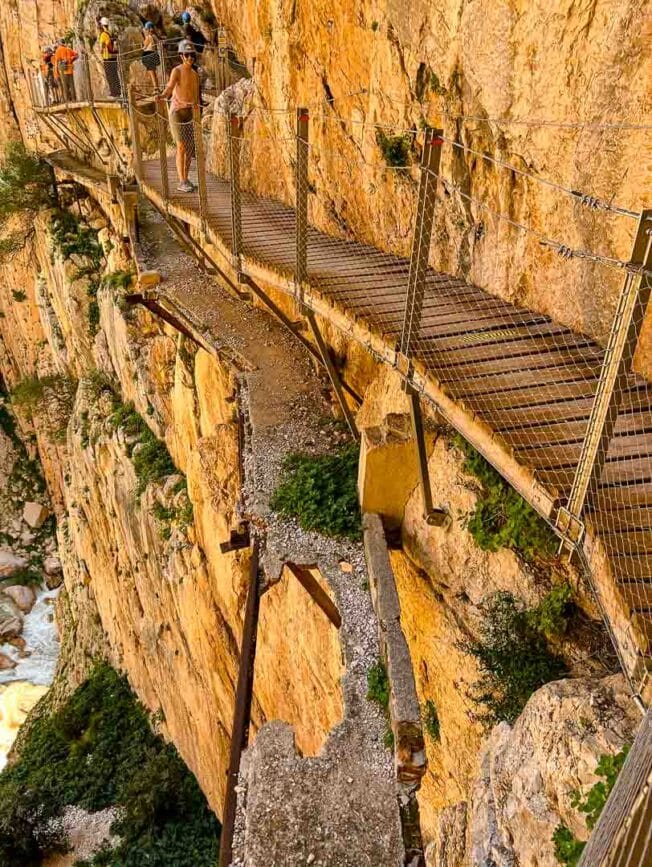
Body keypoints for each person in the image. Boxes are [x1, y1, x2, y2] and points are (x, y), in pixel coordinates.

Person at [161, 40, 199, 193]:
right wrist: (162, 95)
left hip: (189, 112)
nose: (190, 58)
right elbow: (170, 86)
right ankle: (181, 180)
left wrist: (198, 116)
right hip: (176, 112)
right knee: (181, 145)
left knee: (189, 148)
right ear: (182, 56)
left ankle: (186, 178)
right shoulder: (176, 71)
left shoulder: (195, 75)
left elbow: (196, 97)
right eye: (187, 55)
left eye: (192, 55)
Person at [97, 16, 121, 98]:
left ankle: (114, 93)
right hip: (114, 56)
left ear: (102, 25)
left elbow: (101, 48)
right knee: (115, 74)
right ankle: (118, 91)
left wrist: (101, 50)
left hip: (107, 57)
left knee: (109, 75)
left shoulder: (103, 35)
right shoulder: (110, 33)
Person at [141, 21, 160, 90]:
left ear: (148, 29)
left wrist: (142, 46)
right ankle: (156, 87)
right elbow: (159, 43)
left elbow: (144, 47)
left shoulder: (148, 37)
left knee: (152, 73)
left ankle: (156, 88)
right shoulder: (154, 36)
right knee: (153, 72)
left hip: (148, 55)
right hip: (154, 54)